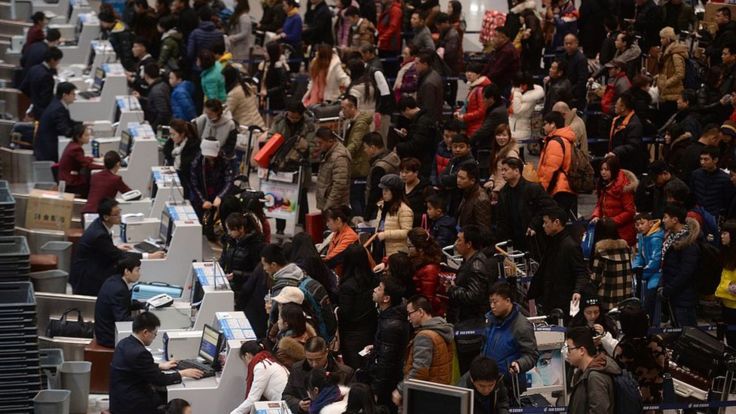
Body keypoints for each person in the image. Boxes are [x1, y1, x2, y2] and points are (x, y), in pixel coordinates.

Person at [110, 313, 203, 413]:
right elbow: (159, 379)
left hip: (119, 400)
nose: (155, 337)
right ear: (145, 332)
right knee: (174, 405)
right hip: (132, 406)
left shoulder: (124, 343)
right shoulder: (140, 353)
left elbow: (137, 366)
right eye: (154, 333)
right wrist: (182, 373)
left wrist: (160, 365)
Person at [71, 199, 163, 295]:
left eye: (120, 212)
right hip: (87, 277)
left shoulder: (99, 224)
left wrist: (113, 247)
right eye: (116, 214)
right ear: (106, 217)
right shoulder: (99, 234)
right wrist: (149, 256)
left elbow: (104, 249)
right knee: (124, 271)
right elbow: (119, 255)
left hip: (90, 267)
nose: (120, 217)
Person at [444, 225, 493, 372]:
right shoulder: (469, 261)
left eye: (459, 240)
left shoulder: (476, 264)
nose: (455, 243)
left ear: (469, 244)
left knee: (470, 368)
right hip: (464, 323)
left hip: (471, 327)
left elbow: (474, 296)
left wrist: (452, 290)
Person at [393, 295, 454, 406]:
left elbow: (419, 371)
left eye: (409, 313)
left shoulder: (424, 336)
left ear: (420, 312)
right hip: (440, 393)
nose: (408, 318)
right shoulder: (442, 329)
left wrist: (400, 390)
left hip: (426, 396)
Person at [481, 282, 539, 393]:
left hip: (510, 384)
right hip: (489, 382)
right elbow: (484, 347)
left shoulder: (521, 325)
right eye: (490, 302)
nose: (492, 306)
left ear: (508, 301)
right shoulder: (490, 321)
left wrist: (519, 365)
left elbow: (532, 355)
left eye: (495, 302)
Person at [529, 207, 586, 317]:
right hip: (550, 298)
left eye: (546, 222)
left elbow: (581, 272)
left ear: (557, 222)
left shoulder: (570, 246)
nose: (543, 225)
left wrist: (577, 291)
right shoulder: (552, 241)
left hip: (563, 301)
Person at [495, 157, 556, 253]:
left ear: (516, 171)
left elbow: (550, 207)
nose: (502, 173)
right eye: (502, 170)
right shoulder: (503, 193)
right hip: (513, 241)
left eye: (506, 170)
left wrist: (534, 224)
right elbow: (501, 219)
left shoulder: (532, 189)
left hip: (533, 239)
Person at [367, 277, 410, 410]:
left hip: (388, 382)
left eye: (379, 289)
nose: (374, 290)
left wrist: (376, 390)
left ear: (386, 298)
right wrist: (377, 347)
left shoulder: (391, 325)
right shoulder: (391, 316)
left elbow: (386, 362)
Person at [283, 337, 355, 414]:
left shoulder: (345, 372)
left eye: (318, 359)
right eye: (310, 359)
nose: (314, 364)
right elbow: (286, 395)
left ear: (326, 352)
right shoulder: (297, 369)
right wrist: (299, 404)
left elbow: (353, 402)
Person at [613, 306, 667, 405]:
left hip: (631, 397)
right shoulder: (656, 343)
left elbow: (617, 372)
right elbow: (665, 366)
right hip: (655, 395)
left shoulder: (622, 348)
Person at [338, 244, 378, 369]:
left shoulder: (347, 286)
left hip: (351, 334)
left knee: (354, 368)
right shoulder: (374, 279)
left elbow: (345, 312)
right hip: (372, 328)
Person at [660, 204, 700, 327]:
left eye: (665, 217)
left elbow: (686, 273)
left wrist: (668, 289)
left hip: (684, 298)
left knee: (687, 335)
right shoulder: (673, 239)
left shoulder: (688, 243)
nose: (663, 220)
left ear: (675, 220)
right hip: (675, 295)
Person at [565, 326, 620, 414]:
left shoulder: (595, 377)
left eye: (569, 349)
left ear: (582, 350)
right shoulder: (583, 374)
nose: (567, 353)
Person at [94, 256, 146, 347]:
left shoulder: (114, 280)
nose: (139, 274)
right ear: (126, 272)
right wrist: (144, 319)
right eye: (137, 270)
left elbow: (124, 303)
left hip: (103, 331)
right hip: (109, 336)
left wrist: (143, 305)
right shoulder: (119, 289)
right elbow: (122, 319)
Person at [230, 341, 289, 414]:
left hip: (284, 408)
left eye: (244, 360)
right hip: (285, 405)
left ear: (247, 355)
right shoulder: (269, 361)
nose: (246, 365)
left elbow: (252, 399)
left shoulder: (261, 366)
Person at [591, 155, 638, 246]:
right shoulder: (604, 184)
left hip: (622, 233)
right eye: (602, 169)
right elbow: (599, 205)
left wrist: (612, 222)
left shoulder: (624, 187)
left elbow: (630, 211)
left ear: (614, 170)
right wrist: (596, 216)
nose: (603, 172)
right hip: (607, 229)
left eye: (607, 170)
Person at [538, 111, 577, 217]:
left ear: (553, 124)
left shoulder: (555, 143)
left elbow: (551, 169)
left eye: (545, 123)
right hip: (565, 186)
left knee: (555, 222)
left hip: (557, 188)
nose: (543, 126)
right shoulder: (565, 139)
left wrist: (544, 190)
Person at [590, 218, 633, 311]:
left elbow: (595, 279)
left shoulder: (601, 251)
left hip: (605, 299)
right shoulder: (626, 248)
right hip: (625, 299)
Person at [340, 95, 372, 217]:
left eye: (344, 108)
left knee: (356, 198)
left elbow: (355, 144)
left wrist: (342, 155)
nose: (342, 111)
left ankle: (360, 225)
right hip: (356, 164)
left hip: (359, 167)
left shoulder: (360, 124)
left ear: (352, 107)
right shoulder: (354, 122)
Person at [189, 138, 237, 219]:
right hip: (203, 197)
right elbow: (194, 184)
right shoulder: (196, 162)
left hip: (219, 196)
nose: (209, 157)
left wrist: (220, 197)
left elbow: (229, 180)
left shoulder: (224, 160)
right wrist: (202, 200)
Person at [221, 212, 265, 297]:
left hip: (245, 289)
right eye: (228, 229)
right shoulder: (230, 241)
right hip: (229, 285)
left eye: (231, 230)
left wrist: (237, 275)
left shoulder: (255, 246)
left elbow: (257, 273)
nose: (229, 233)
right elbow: (223, 259)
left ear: (241, 228)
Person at [632, 213, 665, 322]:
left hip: (657, 273)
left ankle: (651, 322)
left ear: (650, 223)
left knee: (650, 296)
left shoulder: (656, 238)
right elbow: (640, 256)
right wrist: (634, 267)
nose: (639, 227)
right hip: (646, 272)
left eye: (642, 223)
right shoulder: (642, 236)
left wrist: (642, 272)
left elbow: (656, 260)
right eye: (637, 225)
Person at [470, 85, 508, 177]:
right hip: (491, 145)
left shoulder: (496, 112)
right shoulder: (499, 107)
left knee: (486, 173)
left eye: (484, 98)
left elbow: (484, 130)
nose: (483, 101)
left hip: (490, 147)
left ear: (491, 98)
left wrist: (469, 139)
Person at [34, 82, 78, 162]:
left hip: (44, 144)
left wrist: (82, 124)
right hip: (48, 151)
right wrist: (82, 132)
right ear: (65, 95)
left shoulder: (56, 103)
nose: (75, 97)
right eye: (73, 94)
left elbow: (66, 121)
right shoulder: (58, 109)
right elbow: (66, 131)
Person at [58, 124, 104, 198]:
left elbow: (82, 159)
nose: (89, 138)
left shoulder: (72, 145)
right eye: (86, 135)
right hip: (70, 183)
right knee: (94, 184)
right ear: (78, 137)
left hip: (66, 179)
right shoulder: (76, 148)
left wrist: (94, 159)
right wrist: (105, 166)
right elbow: (87, 165)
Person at [363, 132, 401, 221]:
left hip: (379, 208)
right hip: (393, 203)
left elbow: (375, 192)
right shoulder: (390, 156)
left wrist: (367, 214)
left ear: (372, 147)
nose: (364, 150)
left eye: (365, 147)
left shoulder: (379, 167)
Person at [690, 147, 735, 220]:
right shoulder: (696, 174)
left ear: (715, 160)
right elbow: (692, 194)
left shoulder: (725, 179)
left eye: (706, 159)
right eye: (701, 159)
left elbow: (728, 201)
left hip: (715, 216)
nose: (702, 162)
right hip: (697, 214)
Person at [407, 227, 444, 315]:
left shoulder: (429, 269)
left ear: (420, 248)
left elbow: (428, 300)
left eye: (409, 246)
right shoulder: (417, 260)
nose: (407, 249)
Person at [375, 174, 413, 257]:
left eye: (387, 190)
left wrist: (386, 234)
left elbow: (407, 232)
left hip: (396, 253)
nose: (384, 193)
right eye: (383, 189)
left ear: (395, 192)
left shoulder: (404, 210)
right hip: (380, 247)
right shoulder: (381, 206)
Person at [20, 46, 62, 120]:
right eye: (58, 60)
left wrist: (34, 97)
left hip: (34, 108)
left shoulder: (34, 68)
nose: (58, 63)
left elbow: (23, 87)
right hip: (41, 113)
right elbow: (46, 100)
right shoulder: (47, 76)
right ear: (52, 60)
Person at [315, 127, 351, 212]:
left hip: (335, 207)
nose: (318, 146)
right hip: (327, 203)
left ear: (330, 141)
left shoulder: (339, 157)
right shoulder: (328, 153)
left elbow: (339, 185)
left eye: (320, 143)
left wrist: (329, 206)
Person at [439, 134, 475, 217]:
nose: (457, 149)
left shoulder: (470, 162)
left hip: (462, 196)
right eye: (455, 147)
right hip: (451, 196)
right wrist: (444, 179)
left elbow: (453, 179)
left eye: (461, 147)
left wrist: (446, 180)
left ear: (468, 147)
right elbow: (442, 175)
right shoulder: (454, 159)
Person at [163, 119, 200, 198]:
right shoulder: (170, 144)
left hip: (187, 182)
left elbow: (187, 167)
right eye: (170, 134)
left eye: (174, 134)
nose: (171, 137)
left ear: (182, 134)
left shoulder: (193, 146)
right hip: (173, 177)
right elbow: (168, 157)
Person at [609, 93, 646, 175]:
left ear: (623, 107)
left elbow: (633, 146)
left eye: (617, 104)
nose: (615, 106)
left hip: (630, 166)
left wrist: (615, 152)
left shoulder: (635, 124)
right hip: (618, 161)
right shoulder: (617, 119)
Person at [657, 27, 688, 122]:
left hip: (673, 93)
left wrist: (666, 83)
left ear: (668, 39)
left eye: (663, 38)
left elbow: (680, 74)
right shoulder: (666, 52)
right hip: (666, 92)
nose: (661, 40)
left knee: (667, 119)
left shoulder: (675, 54)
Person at [454, 63, 490, 137]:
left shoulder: (480, 89)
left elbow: (481, 111)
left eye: (472, 72)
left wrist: (465, 117)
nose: (469, 74)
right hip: (472, 125)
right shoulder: (474, 87)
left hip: (476, 126)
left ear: (478, 74)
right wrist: (459, 112)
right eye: (467, 71)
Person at [716, 220, 736, 346]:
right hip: (725, 303)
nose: (722, 236)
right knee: (729, 338)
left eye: (725, 233)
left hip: (734, 306)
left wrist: (728, 287)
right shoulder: (726, 253)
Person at [456, 162, 492, 232]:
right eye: (458, 177)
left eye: (462, 178)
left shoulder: (481, 200)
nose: (458, 180)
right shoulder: (466, 191)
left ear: (472, 180)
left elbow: (484, 230)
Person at [508, 72, 545, 141]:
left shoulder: (530, 97)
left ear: (525, 85)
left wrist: (516, 94)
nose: (515, 87)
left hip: (521, 131)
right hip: (512, 126)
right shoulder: (519, 92)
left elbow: (517, 111)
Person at [484, 27, 519, 94]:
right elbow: (489, 65)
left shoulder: (506, 51)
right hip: (499, 84)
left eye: (495, 36)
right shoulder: (500, 49)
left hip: (504, 86)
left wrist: (482, 80)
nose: (493, 39)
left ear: (503, 38)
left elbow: (496, 71)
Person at [487, 124, 520, 193]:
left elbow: (512, 176)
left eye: (504, 135)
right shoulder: (498, 150)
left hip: (507, 191)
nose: (501, 138)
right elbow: (497, 170)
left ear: (509, 136)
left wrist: (498, 188)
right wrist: (491, 180)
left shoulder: (511, 153)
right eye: (498, 135)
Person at [258, 42, 290, 112]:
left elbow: (283, 85)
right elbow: (258, 78)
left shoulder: (280, 66)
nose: (264, 54)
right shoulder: (263, 65)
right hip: (263, 99)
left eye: (266, 52)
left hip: (276, 101)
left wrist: (268, 92)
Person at [560, 34, 589, 110]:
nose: (568, 46)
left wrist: (572, 93)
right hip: (564, 92)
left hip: (575, 95)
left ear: (576, 43)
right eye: (566, 43)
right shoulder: (563, 57)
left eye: (571, 43)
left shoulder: (581, 59)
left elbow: (582, 80)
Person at [140, 62, 172, 130]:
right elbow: (154, 102)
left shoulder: (156, 91)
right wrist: (141, 98)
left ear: (146, 75)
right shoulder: (163, 84)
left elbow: (163, 113)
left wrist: (153, 128)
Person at [414, 50, 444, 121]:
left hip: (428, 123)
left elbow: (428, 108)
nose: (415, 66)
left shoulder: (429, 83)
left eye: (417, 63)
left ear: (425, 64)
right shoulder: (433, 74)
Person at [400, 158, 429, 227]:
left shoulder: (426, 189)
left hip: (416, 228)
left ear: (416, 173)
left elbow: (430, 213)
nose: (403, 175)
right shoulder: (399, 186)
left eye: (407, 172)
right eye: (401, 171)